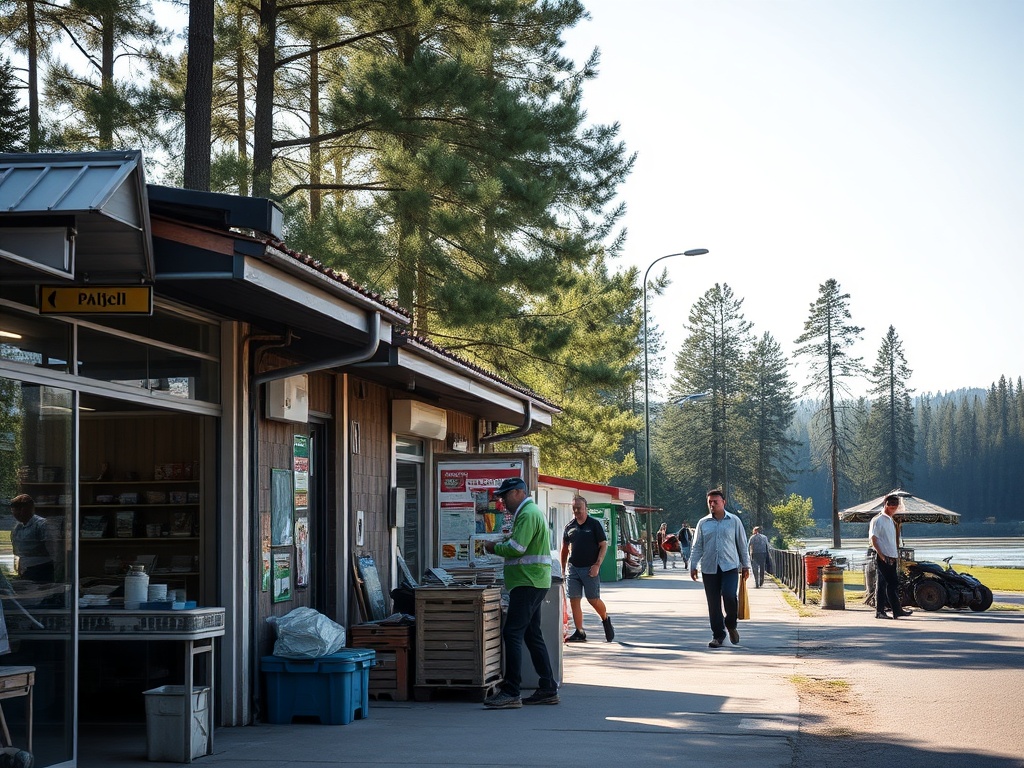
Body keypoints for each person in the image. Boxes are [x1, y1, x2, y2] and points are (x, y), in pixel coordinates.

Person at [481, 477, 558, 708]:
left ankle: (512, 691)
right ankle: (547, 687)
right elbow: (520, 543)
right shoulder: (530, 512)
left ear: (518, 492)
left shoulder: (526, 514)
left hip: (527, 581)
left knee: (512, 633)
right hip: (533, 581)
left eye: (505, 495)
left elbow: (517, 548)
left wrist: (494, 547)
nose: (502, 501)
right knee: (532, 635)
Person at [689, 489, 750, 648]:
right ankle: (718, 635)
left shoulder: (734, 521)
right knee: (713, 603)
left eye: (716, 501)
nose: (712, 504)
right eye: (710, 502)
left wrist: (746, 565)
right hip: (709, 568)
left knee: (729, 595)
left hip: (729, 566)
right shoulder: (703, 523)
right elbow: (697, 547)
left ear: (724, 502)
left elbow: (742, 544)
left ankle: (731, 623)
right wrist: (693, 565)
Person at [560, 496, 614, 643]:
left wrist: (597, 565)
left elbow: (603, 545)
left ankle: (605, 618)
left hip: (590, 568)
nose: (577, 510)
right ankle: (580, 631)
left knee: (593, 599)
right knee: (574, 599)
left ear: (586, 508)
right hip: (574, 569)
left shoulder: (594, 525)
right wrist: (562, 568)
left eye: (580, 507)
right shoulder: (569, 527)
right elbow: (564, 549)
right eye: (574, 508)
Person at [870, 494, 913, 620]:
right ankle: (883, 611)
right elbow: (874, 539)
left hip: (891, 556)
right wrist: (882, 556)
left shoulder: (890, 520)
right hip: (883, 556)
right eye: (891, 504)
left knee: (889, 584)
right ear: (885, 504)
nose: (893, 507)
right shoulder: (878, 520)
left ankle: (894, 610)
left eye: (895, 504)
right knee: (888, 584)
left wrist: (894, 555)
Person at [10, 494, 56, 583]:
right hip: (25, 568)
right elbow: (18, 551)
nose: (15, 515)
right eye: (13, 512)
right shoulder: (17, 527)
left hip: (42, 568)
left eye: (17, 512)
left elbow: (53, 550)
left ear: (25, 510)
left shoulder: (42, 525)